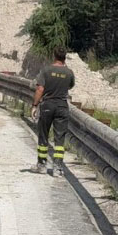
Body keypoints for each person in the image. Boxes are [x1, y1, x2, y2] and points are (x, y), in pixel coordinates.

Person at [31, 47, 76, 176]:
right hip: (62, 106)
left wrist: (34, 105)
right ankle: (57, 168)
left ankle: (42, 165)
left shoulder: (46, 71)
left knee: (43, 135)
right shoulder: (69, 73)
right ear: (65, 57)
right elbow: (70, 86)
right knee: (59, 139)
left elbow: (40, 89)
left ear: (54, 56)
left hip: (47, 105)